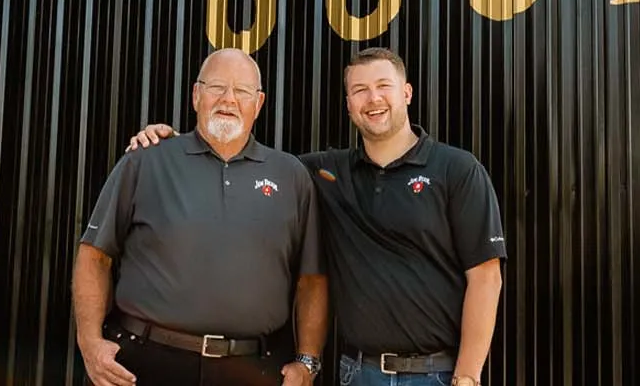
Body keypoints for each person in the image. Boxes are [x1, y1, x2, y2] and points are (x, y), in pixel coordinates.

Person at [129, 47, 503, 386]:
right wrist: (174, 143)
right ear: (349, 105)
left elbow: (486, 278)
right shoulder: (325, 173)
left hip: (435, 374)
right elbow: (243, 160)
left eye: (383, 86)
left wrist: (467, 376)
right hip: (358, 373)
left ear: (406, 93)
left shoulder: (456, 170)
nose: (373, 99)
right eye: (359, 90)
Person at [75, 48, 328, 386]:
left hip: (252, 369)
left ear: (260, 103)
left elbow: (311, 279)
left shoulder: (291, 175)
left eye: (241, 91)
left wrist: (307, 362)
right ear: (196, 95)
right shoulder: (146, 161)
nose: (228, 99)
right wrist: (89, 342)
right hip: (145, 364)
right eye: (216, 87)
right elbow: (95, 255)